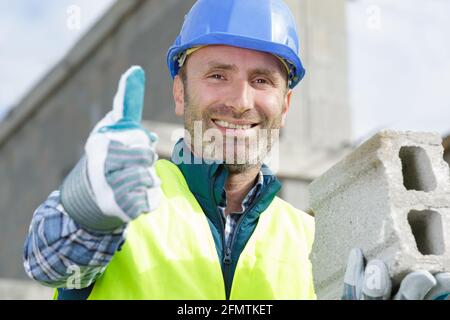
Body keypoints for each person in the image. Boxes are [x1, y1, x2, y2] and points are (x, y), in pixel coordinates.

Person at [23, 0, 449, 300]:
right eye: (218, 75)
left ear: (284, 104)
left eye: (262, 80)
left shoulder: (315, 240)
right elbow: (49, 262)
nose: (241, 101)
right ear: (178, 91)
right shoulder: (122, 202)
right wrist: (85, 206)